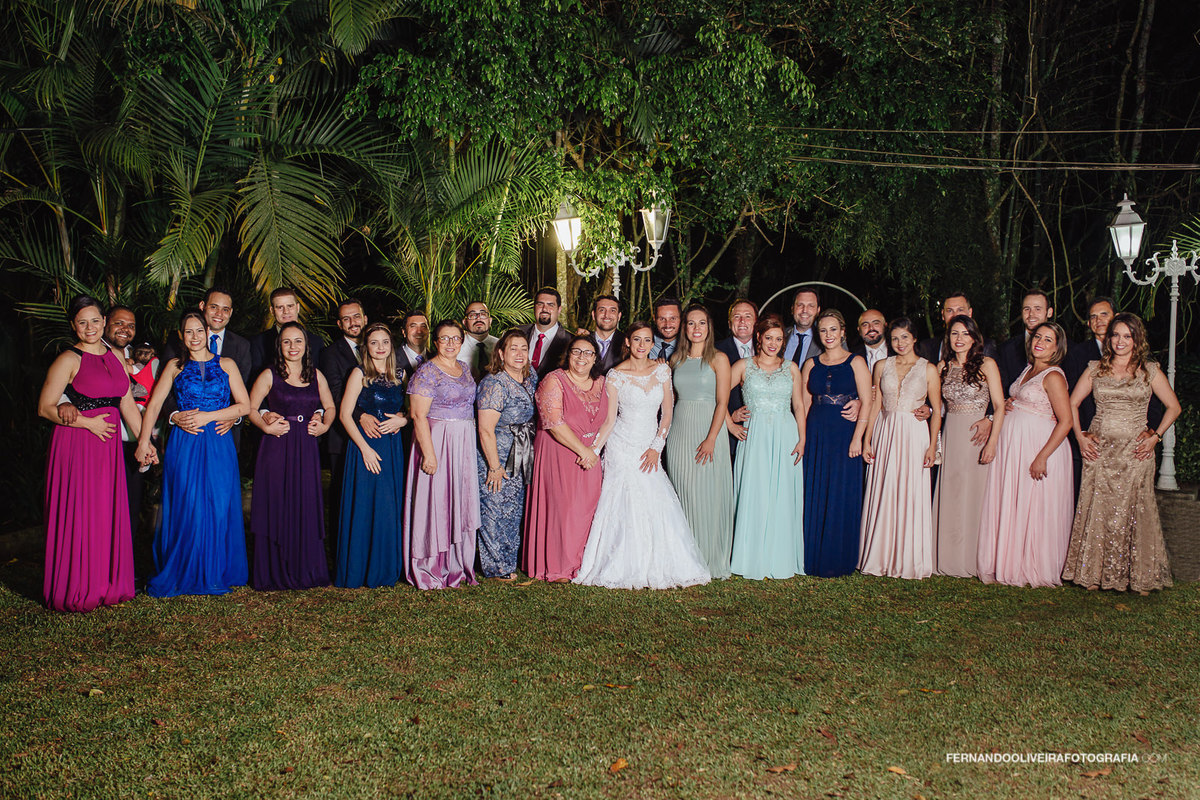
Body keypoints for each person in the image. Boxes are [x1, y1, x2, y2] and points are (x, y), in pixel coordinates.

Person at [574, 322, 710, 589]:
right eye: (637, 340)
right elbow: (610, 419)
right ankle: (621, 563)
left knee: (654, 498)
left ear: (652, 343)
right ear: (628, 342)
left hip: (649, 445)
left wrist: (656, 448)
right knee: (622, 502)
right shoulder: (615, 375)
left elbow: (667, 414)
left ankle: (659, 562)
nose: (642, 345)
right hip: (621, 446)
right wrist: (594, 451)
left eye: (647, 340)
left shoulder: (662, 371)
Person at [1062, 314, 1181, 594]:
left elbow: (1173, 407)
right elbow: (1072, 402)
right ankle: (1093, 574)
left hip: (1136, 453)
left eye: (1127, 336)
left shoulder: (1149, 370)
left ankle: (1140, 576)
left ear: (1137, 339)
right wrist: (1080, 437)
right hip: (1100, 451)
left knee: (1137, 511)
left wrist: (1155, 437)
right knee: (1099, 510)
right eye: (1115, 335)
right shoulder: (1095, 368)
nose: (1120, 341)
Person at [134, 311, 250, 597]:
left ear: (207, 331)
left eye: (199, 330)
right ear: (181, 336)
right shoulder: (174, 365)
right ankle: (187, 568)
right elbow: (154, 404)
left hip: (219, 442)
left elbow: (244, 405)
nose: (195, 337)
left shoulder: (227, 364)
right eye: (188, 332)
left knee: (219, 504)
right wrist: (143, 441)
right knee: (188, 503)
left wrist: (210, 416)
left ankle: (216, 570)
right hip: (185, 443)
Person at [37, 296, 140, 612]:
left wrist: (144, 442)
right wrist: (86, 423)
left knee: (105, 512)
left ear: (104, 321)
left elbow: (125, 403)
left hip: (107, 449)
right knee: (82, 512)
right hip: (77, 446)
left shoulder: (115, 357)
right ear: (74, 326)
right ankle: (78, 586)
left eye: (95, 320)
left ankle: (110, 584)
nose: (90, 327)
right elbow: (44, 407)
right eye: (82, 322)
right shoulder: (68, 359)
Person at [976, 322, 1073, 587]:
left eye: (1048, 339)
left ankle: (1033, 564)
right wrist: (1010, 403)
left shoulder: (1053, 376)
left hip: (1039, 446)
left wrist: (1042, 456)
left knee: (1034, 505)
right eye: (1037, 337)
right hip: (1015, 446)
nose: (1039, 342)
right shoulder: (1029, 369)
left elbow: (1066, 421)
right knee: (1015, 501)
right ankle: (1009, 559)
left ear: (1057, 347)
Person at [248, 322, 335, 590]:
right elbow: (250, 408)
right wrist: (265, 423)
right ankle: (274, 569)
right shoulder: (269, 374)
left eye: (298, 341)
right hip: (277, 445)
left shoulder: (316, 375)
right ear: (279, 345)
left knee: (305, 502)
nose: (293, 347)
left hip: (306, 448)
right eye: (287, 342)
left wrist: (324, 424)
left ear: (306, 345)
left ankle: (306, 568)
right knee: (278, 502)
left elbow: (330, 406)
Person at [858, 318, 942, 579]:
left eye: (905, 337)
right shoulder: (881, 365)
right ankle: (879, 555)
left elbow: (937, 410)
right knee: (885, 489)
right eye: (895, 338)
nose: (900, 343)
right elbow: (875, 404)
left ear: (914, 338)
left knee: (910, 492)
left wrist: (931, 446)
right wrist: (867, 439)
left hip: (914, 434)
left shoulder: (928, 369)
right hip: (886, 432)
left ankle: (908, 558)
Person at [522, 334, 608, 581]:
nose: (582, 357)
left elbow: (611, 419)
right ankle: (557, 566)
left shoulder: (602, 383)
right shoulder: (554, 380)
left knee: (587, 507)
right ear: (568, 355)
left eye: (588, 353)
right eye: (576, 352)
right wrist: (585, 452)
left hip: (591, 454)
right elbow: (554, 423)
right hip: (559, 451)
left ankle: (581, 562)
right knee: (563, 508)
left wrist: (595, 450)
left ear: (595, 359)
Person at [728, 314, 806, 580]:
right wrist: (730, 422)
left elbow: (798, 405)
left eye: (779, 339)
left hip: (786, 433)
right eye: (769, 337)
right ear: (759, 337)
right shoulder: (743, 366)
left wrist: (802, 438)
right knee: (756, 490)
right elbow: (715, 397)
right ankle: (751, 555)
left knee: (782, 492)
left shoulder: (791, 368)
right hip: (754, 436)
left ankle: (779, 554)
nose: (773, 343)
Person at [404, 320, 480, 589]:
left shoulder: (465, 368)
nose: (450, 343)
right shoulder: (426, 373)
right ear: (435, 341)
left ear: (462, 341)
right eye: (444, 338)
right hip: (437, 440)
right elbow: (417, 415)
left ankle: (457, 563)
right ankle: (430, 565)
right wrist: (429, 454)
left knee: (459, 498)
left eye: (455, 338)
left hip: (463, 443)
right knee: (436, 501)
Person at [932, 315, 1006, 577]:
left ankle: (974, 559)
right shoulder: (942, 366)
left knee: (975, 495)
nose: (959, 339)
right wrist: (926, 409)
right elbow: (938, 406)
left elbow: (999, 406)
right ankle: (948, 558)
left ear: (974, 337)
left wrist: (993, 442)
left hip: (977, 437)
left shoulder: (986, 364)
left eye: (964, 333)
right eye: (954, 333)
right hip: (952, 432)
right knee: (951, 493)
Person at [335, 323, 408, 589]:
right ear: (367, 347)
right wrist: (365, 449)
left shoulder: (401, 375)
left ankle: (386, 568)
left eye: (385, 342)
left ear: (391, 345)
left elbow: (412, 411)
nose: (380, 347)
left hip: (392, 447)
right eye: (374, 343)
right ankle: (360, 568)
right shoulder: (359, 373)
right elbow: (344, 415)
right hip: (365, 446)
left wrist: (402, 420)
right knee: (366, 504)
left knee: (389, 506)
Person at [801, 309, 873, 577]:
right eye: (823, 330)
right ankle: (812, 554)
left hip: (845, 433)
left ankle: (838, 557)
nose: (828, 335)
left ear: (843, 332)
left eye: (833, 329)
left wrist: (858, 438)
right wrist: (804, 437)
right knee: (815, 488)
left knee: (841, 491)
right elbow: (804, 403)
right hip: (817, 431)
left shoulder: (856, 362)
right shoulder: (811, 364)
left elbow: (867, 400)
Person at [666, 305, 735, 579]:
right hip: (680, 430)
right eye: (691, 323)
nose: (696, 328)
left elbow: (722, 402)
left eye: (702, 323)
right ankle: (685, 558)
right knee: (683, 493)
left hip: (709, 429)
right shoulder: (675, 360)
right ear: (685, 328)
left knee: (707, 493)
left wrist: (711, 438)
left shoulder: (719, 359)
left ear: (709, 327)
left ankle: (708, 557)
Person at [475, 330, 538, 579]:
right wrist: (494, 466)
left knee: (513, 509)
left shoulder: (529, 376)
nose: (520, 353)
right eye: (514, 348)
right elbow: (485, 429)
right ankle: (495, 567)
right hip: (497, 454)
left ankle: (509, 559)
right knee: (494, 507)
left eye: (524, 348)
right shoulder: (493, 383)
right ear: (501, 353)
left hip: (520, 451)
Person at [162, 287, 253, 451]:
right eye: (214, 307)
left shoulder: (242, 346)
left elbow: (245, 389)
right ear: (202, 305)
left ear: (231, 313)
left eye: (225, 309)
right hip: (187, 430)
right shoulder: (178, 340)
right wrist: (174, 415)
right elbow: (164, 387)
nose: (219, 313)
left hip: (223, 433)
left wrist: (234, 416)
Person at [320, 298, 367, 527]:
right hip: (343, 437)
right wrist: (361, 417)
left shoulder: (379, 347)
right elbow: (336, 394)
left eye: (356, 316)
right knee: (341, 496)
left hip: (377, 434)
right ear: (340, 325)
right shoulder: (330, 354)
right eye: (346, 319)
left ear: (365, 319)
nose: (352, 322)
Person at [716, 299, 757, 460]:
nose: (742, 321)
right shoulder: (715, 350)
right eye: (737, 316)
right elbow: (710, 391)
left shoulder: (769, 348)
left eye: (748, 316)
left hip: (762, 432)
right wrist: (729, 418)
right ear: (729, 322)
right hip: (728, 435)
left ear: (756, 321)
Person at [251, 287, 323, 377]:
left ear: (297, 307)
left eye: (290, 306)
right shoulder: (259, 342)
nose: (286, 311)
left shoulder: (316, 341)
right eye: (280, 307)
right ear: (272, 311)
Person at [997, 290, 1053, 396]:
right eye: (1027, 309)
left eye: (1038, 309)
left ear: (1049, 312)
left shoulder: (1067, 348)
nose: (1031, 314)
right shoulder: (1006, 349)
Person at [520, 288, 572, 379]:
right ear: (534, 307)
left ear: (559, 309)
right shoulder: (517, 333)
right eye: (540, 304)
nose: (545, 309)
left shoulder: (571, 340)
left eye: (550, 305)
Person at [459, 301, 499, 380]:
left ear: (490, 321)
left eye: (483, 314)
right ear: (464, 322)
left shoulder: (500, 345)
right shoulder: (456, 347)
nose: (478, 318)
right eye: (472, 315)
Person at [784, 288, 822, 366]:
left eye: (811, 306)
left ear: (818, 311)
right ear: (792, 309)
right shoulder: (780, 335)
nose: (805, 310)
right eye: (800, 305)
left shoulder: (825, 339)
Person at [590, 294, 624, 372]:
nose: (607, 315)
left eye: (612, 310)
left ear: (619, 316)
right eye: (602, 310)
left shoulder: (628, 343)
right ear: (593, 315)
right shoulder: (583, 341)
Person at [851, 308, 890, 373]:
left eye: (876, 323)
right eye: (865, 325)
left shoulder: (896, 351)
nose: (871, 328)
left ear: (885, 326)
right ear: (859, 330)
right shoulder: (851, 356)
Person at [396, 310, 430, 377]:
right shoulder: (391, 360)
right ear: (404, 332)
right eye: (413, 326)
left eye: (423, 326)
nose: (419, 331)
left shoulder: (436, 359)